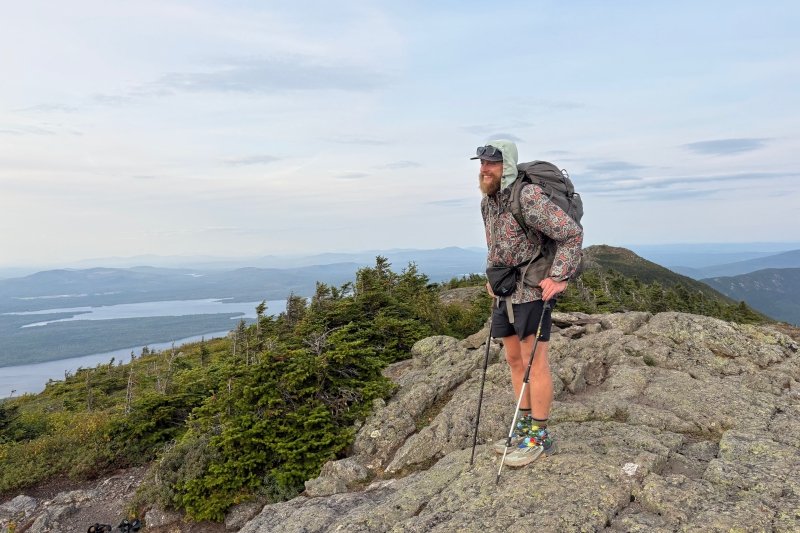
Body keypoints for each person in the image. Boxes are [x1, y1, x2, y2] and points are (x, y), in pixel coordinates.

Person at [475, 139, 583, 467]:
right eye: (481, 163)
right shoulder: (488, 202)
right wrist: (492, 277)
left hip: (532, 290)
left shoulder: (528, 196)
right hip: (505, 288)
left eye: (491, 163)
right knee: (512, 359)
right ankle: (522, 428)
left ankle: (539, 434)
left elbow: (571, 234)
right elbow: (495, 242)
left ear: (506, 164)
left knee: (533, 361)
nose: (484, 169)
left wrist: (559, 276)